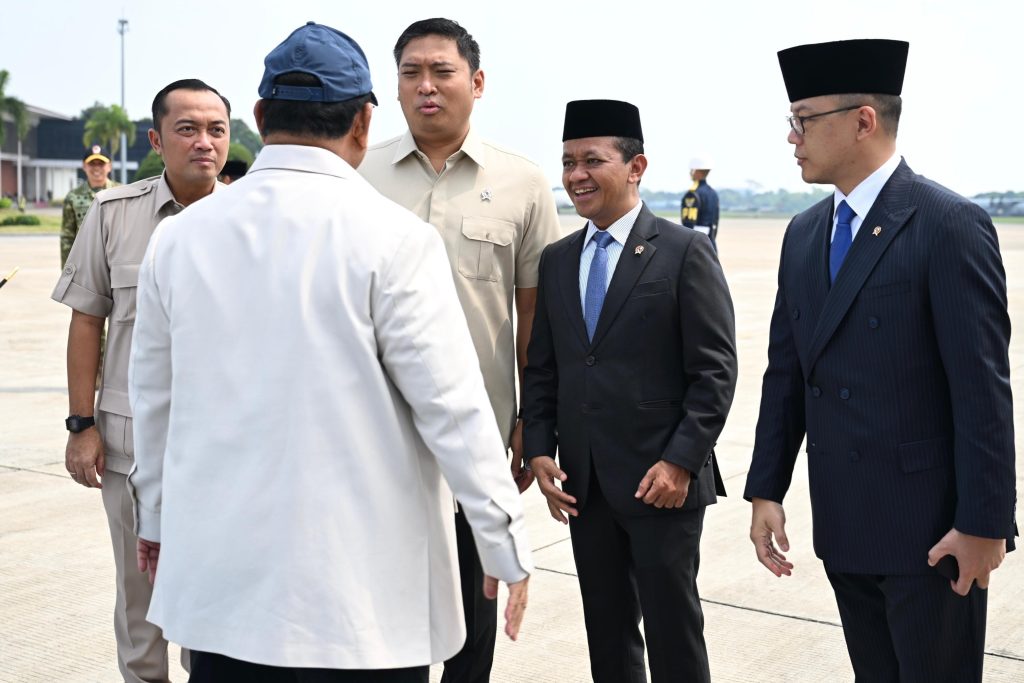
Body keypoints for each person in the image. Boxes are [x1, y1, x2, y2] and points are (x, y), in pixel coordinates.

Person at [127, 22, 532, 683]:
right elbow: (452, 409)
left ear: (260, 117)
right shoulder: (394, 239)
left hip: (223, 598)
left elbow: (153, 401)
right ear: (364, 124)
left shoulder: (180, 238)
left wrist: (154, 517)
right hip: (360, 608)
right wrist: (501, 538)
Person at [744, 39, 1017, 682]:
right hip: (845, 523)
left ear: (863, 120)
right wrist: (766, 488)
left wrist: (985, 525)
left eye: (803, 120)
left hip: (932, 534)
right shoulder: (803, 234)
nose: (791, 137)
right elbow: (787, 373)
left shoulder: (947, 223)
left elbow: (982, 389)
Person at [358, 18, 560, 682]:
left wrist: (533, 421)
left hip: (480, 433)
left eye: (442, 72)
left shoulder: (523, 182)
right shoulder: (357, 173)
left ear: (476, 83)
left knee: (474, 613)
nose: (426, 86)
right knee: (379, 614)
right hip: (370, 434)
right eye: (410, 73)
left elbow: (534, 317)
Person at [521, 99, 737, 683]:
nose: (576, 175)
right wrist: (539, 448)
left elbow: (715, 372)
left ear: (636, 166)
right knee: (607, 634)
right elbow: (543, 369)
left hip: (660, 483)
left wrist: (681, 461)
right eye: (568, 162)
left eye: (592, 160)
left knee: (673, 635)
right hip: (585, 486)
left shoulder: (684, 252)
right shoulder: (558, 260)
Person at [51, 78, 230, 683]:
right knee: (139, 600)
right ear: (156, 140)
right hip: (131, 445)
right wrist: (82, 424)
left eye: (216, 130)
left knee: (214, 603)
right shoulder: (113, 214)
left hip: (224, 445)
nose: (204, 142)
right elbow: (86, 320)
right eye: (187, 129)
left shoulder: (249, 218)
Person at [61, 145, 119, 266]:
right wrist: (67, 270)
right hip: (85, 263)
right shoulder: (73, 197)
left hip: (116, 261)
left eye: (101, 164)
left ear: (109, 166)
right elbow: (67, 237)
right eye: (92, 164)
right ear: (84, 166)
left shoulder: (122, 192)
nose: (96, 168)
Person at [679, 156, 719, 249]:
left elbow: (688, 223)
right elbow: (715, 221)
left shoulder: (692, 194)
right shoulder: (713, 193)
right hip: (711, 242)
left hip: (696, 243)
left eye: (692, 170)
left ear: (697, 171)